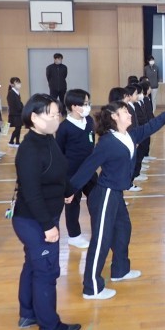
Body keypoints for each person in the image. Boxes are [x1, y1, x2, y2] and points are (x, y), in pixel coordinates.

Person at [69, 92, 165, 300]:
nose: (130, 114)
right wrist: (70, 191)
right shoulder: (107, 142)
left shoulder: (129, 135)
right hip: (105, 195)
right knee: (101, 240)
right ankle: (91, 288)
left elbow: (152, 126)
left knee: (123, 229)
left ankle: (120, 270)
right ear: (114, 117)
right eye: (125, 112)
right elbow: (88, 167)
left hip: (116, 194)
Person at [12, 94, 80, 330]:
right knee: (46, 271)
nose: (56, 119)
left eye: (57, 114)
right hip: (34, 220)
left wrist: (68, 190)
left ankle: (28, 314)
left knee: (34, 265)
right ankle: (51, 327)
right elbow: (31, 193)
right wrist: (47, 226)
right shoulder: (29, 150)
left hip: (44, 216)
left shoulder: (48, 139)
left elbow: (59, 169)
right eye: (51, 115)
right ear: (34, 117)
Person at [55, 89, 98, 249]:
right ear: (73, 106)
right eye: (84, 104)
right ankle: (74, 235)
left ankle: (99, 230)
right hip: (72, 174)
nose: (88, 107)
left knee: (97, 200)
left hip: (90, 171)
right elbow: (59, 152)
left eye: (88, 103)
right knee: (73, 205)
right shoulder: (64, 128)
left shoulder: (89, 121)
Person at [7, 77, 24, 147]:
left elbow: (19, 103)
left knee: (18, 128)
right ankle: (11, 141)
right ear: (12, 84)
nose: (19, 84)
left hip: (18, 114)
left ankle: (17, 142)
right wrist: (21, 108)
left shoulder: (17, 92)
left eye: (19, 82)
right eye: (17, 83)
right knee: (17, 128)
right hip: (15, 114)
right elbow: (14, 104)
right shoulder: (11, 93)